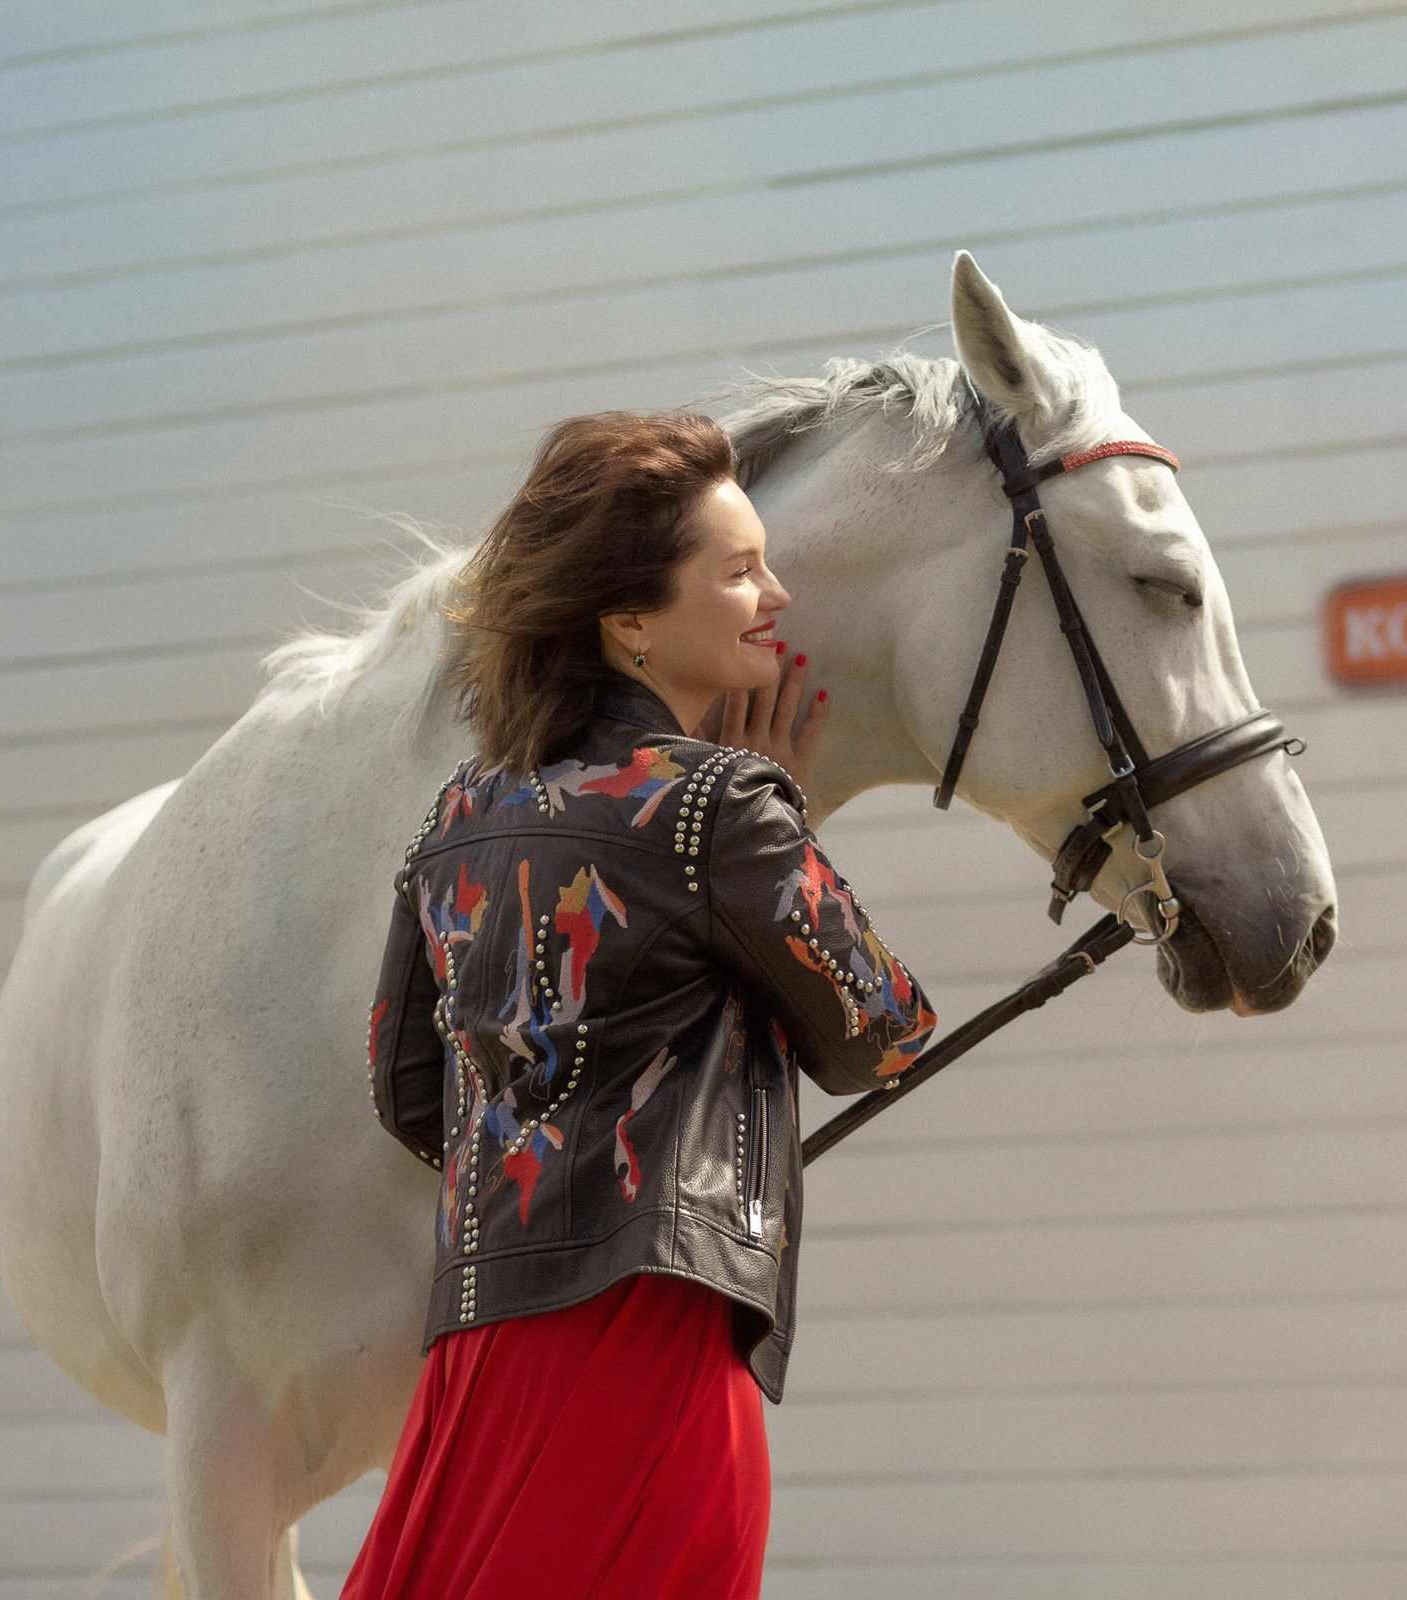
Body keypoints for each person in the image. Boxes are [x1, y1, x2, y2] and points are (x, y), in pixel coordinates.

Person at [342, 409, 938, 1599]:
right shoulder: (720, 807)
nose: (776, 590)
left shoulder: (461, 812)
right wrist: (773, 830)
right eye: (739, 571)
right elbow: (884, 1028)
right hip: (650, 1352)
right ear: (629, 620)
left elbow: (409, 1090)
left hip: (481, 1348)